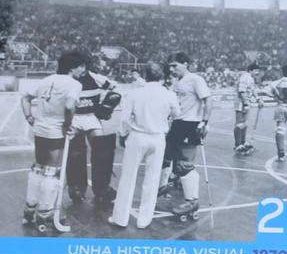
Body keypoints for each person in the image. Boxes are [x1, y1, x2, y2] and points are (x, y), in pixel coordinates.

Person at [20, 51, 86, 234]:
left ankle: (29, 211)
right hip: (55, 132)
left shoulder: (46, 80)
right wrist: (68, 124)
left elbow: (25, 98)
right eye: (81, 67)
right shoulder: (74, 83)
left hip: (40, 129)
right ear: (73, 67)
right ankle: (45, 216)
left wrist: (29, 117)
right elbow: (69, 105)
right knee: (52, 173)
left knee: (38, 169)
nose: (83, 70)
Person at [109, 63, 177, 231]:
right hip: (158, 138)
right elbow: (177, 113)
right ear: (161, 76)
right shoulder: (169, 94)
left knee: (128, 177)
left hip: (138, 137)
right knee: (152, 179)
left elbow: (125, 119)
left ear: (145, 76)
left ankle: (120, 218)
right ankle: (144, 220)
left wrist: (123, 134)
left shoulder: (135, 93)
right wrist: (164, 119)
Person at [66, 53, 121, 217]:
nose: (82, 69)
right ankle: (76, 186)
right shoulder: (68, 80)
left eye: (84, 66)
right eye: (79, 66)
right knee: (75, 153)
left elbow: (115, 89)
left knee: (103, 149)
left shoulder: (96, 78)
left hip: (91, 117)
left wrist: (106, 106)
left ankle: (102, 188)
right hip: (74, 118)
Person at [164, 54, 211, 217]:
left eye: (175, 65)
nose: (172, 69)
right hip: (177, 123)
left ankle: (192, 201)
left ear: (185, 64)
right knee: (168, 158)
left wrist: (205, 122)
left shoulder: (195, 79)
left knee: (185, 163)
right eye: (170, 66)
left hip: (191, 123)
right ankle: (168, 185)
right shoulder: (177, 81)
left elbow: (208, 101)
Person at [232, 62, 261, 155]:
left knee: (245, 124)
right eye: (256, 71)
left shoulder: (251, 79)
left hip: (246, 102)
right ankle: (238, 144)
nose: (257, 73)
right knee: (239, 123)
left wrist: (259, 99)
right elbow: (242, 91)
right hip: (241, 103)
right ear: (250, 70)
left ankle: (243, 142)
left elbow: (253, 90)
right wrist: (245, 103)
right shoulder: (245, 77)